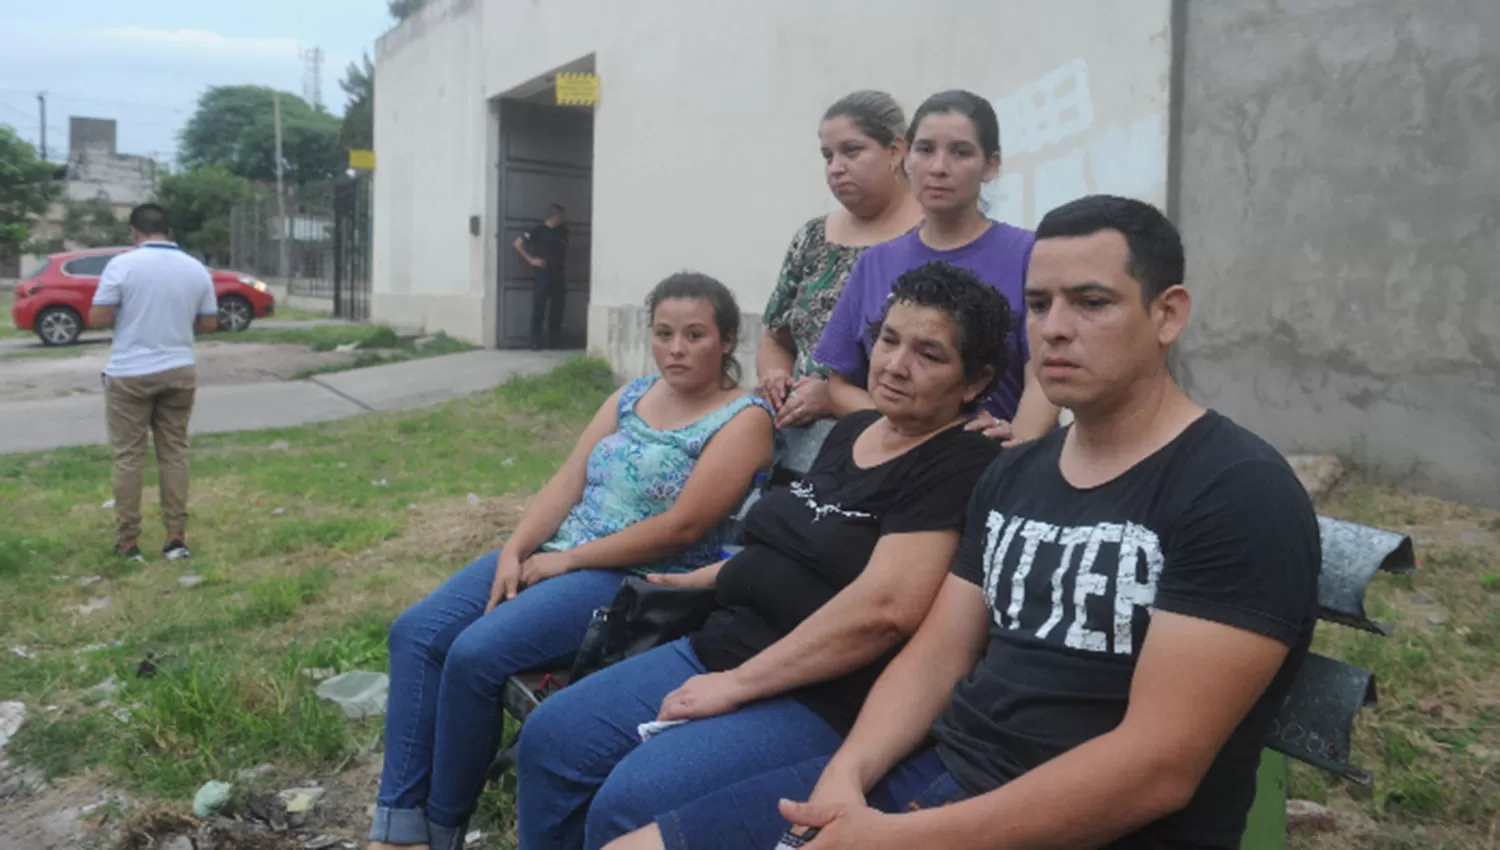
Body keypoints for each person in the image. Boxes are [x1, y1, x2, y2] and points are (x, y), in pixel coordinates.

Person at [605, 196, 1324, 850]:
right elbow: (937, 656)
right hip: (938, 781)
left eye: (1092, 302)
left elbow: (1155, 771)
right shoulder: (1013, 472)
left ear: (1167, 314)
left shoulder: (1235, 491)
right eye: (1039, 304)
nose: (1056, 329)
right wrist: (848, 777)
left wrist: (893, 839)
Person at [515, 264, 1010, 850]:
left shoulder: (960, 462)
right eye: (889, 340)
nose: (896, 364)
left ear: (975, 381)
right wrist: (694, 580)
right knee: (552, 735)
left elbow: (888, 607)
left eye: (929, 354)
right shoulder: (855, 432)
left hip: (816, 694)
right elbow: (793, 547)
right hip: (720, 644)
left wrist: (737, 685)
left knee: (634, 799)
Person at [368, 273, 775, 850]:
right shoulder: (632, 394)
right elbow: (569, 479)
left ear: (728, 340)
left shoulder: (743, 418)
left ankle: (440, 829)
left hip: (630, 578)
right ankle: (397, 826)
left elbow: (681, 526)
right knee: (416, 633)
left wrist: (569, 562)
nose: (676, 349)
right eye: (663, 334)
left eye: (695, 335)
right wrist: (516, 548)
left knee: (476, 654)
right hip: (560, 551)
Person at [810, 90, 1060, 445]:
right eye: (925, 150)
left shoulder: (1030, 255)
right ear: (906, 159)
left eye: (960, 152)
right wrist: (908, 430)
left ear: (991, 165)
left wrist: (1016, 450)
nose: (939, 168)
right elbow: (839, 384)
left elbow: (1046, 371)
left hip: (994, 461)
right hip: (894, 465)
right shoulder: (876, 263)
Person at [756, 90, 923, 431]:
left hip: (890, 437)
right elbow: (776, 337)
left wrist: (832, 397)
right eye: (827, 156)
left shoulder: (932, 237)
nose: (835, 168)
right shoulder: (813, 238)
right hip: (797, 439)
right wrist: (774, 376)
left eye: (851, 151)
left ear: (895, 151)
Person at [87, 203, 221, 562]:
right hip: (179, 369)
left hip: (129, 372)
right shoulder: (196, 268)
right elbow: (209, 323)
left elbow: (97, 316)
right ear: (170, 232)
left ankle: (128, 542)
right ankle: (176, 537)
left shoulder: (122, 265)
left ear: (135, 233)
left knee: (129, 458)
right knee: (174, 453)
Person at [513, 203, 570, 349]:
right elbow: (517, 244)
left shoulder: (562, 232)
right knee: (539, 307)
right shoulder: (537, 230)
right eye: (561, 216)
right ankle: (535, 340)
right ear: (555, 216)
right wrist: (531, 259)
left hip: (558, 273)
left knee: (557, 309)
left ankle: (554, 340)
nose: (563, 219)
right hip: (543, 273)